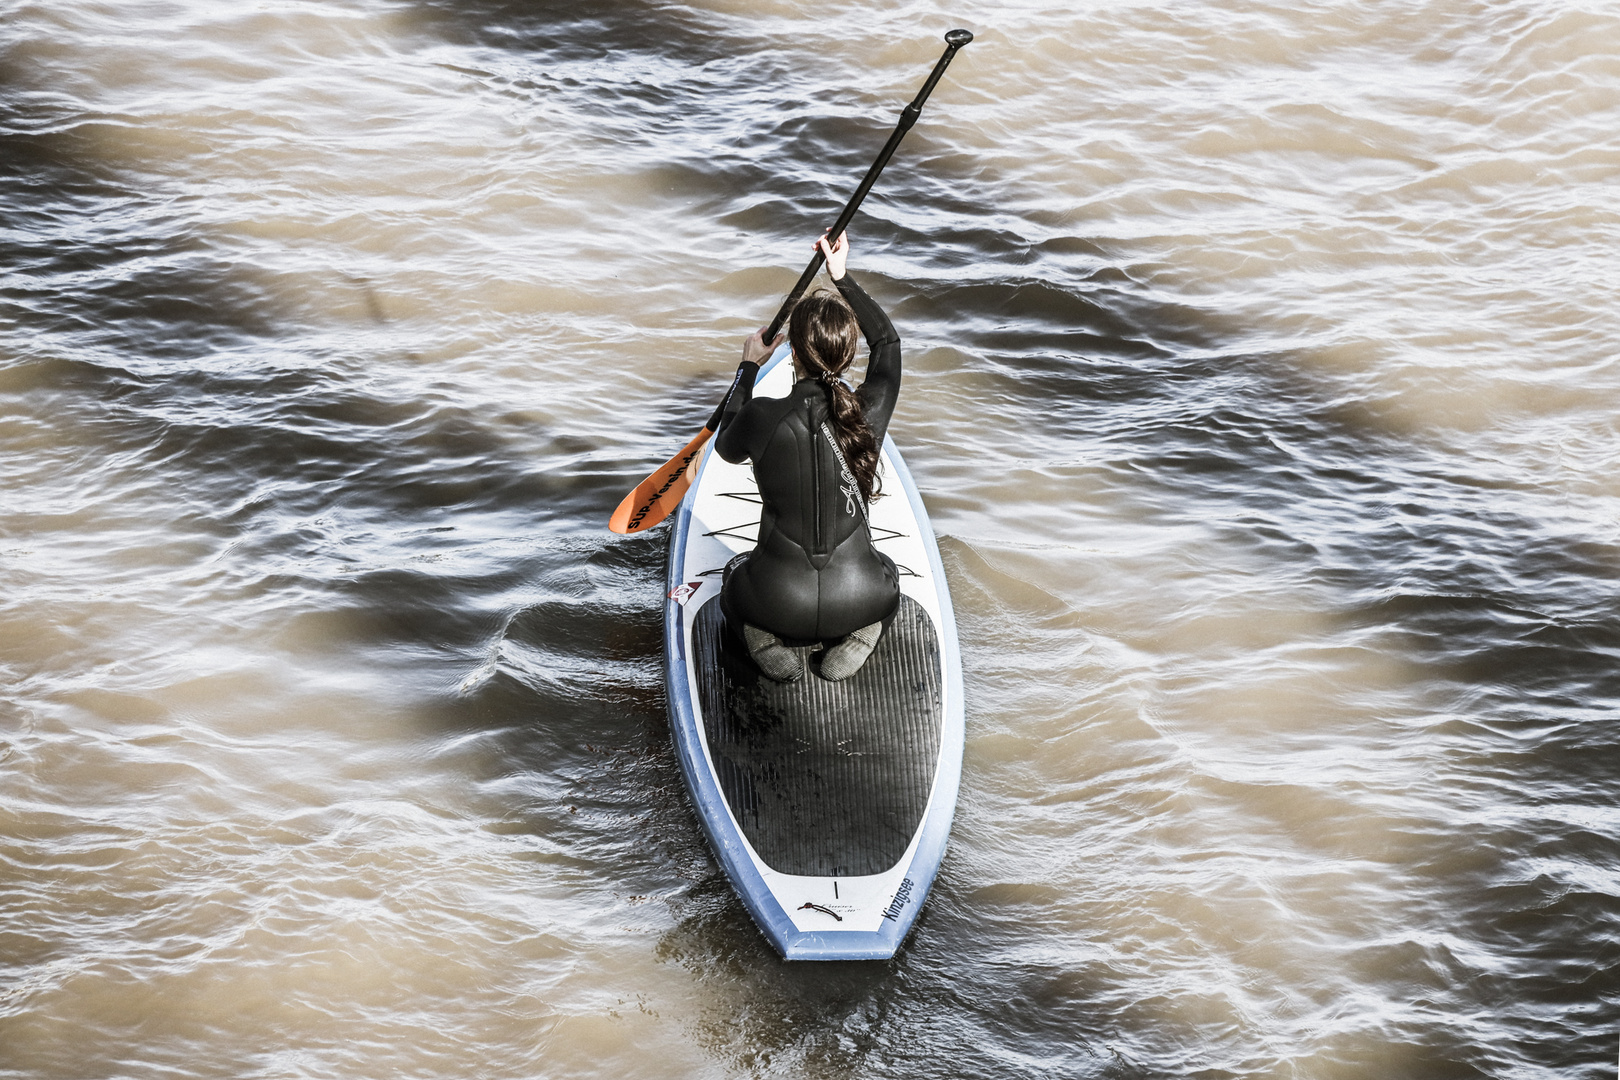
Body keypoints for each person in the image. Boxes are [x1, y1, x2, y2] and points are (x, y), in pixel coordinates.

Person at [714, 231, 901, 683]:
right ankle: (862, 635)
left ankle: (763, 641)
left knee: (732, 583)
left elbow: (724, 445)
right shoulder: (868, 414)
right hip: (861, 599)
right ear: (849, 352)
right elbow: (889, 345)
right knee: (890, 572)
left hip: (776, 603)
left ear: (793, 351)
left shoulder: (762, 417)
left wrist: (748, 367)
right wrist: (842, 278)